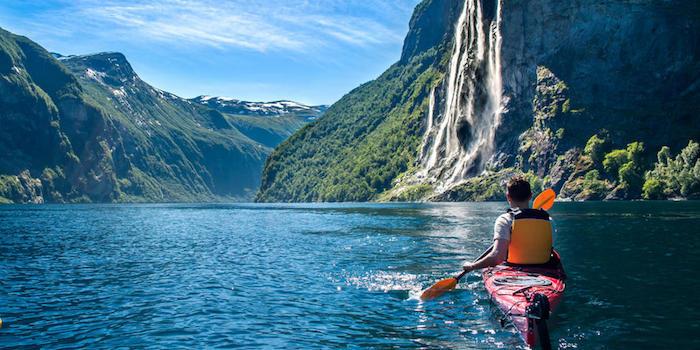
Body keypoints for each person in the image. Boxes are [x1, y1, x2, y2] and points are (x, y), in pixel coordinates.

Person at [462, 175, 554, 272]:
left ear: (508, 197)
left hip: (514, 269)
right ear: (531, 196)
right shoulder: (548, 220)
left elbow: (497, 258)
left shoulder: (505, 220)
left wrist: (472, 266)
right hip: (545, 269)